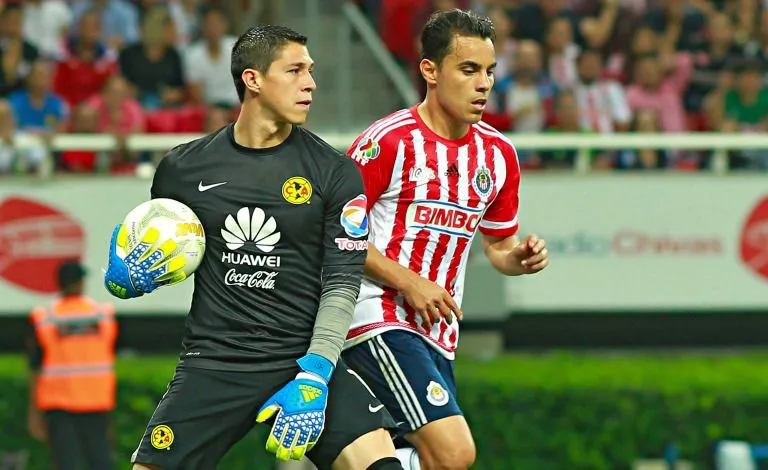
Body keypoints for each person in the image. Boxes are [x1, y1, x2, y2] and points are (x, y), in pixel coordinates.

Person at [102, 24, 403, 470]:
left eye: (311, 71)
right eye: (296, 70)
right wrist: (125, 279)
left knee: (382, 464)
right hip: (216, 360)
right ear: (253, 79)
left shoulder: (334, 172)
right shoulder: (182, 169)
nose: (311, 83)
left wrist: (316, 374)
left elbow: (342, 282)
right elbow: (165, 247)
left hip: (301, 359)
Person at [341, 9, 550, 470]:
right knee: (455, 452)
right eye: (469, 70)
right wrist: (409, 283)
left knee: (417, 460)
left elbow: (498, 246)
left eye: (490, 71)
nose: (484, 84)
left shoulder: (498, 154)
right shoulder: (386, 142)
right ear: (430, 71)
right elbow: (336, 233)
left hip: (439, 333)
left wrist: (519, 257)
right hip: (377, 317)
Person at [27, 260, 118, 470]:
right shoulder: (102, 316)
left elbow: (35, 367)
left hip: (59, 407)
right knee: (101, 462)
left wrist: (33, 413)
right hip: (96, 402)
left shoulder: (45, 318)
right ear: (80, 283)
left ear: (59, 284)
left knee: (65, 463)